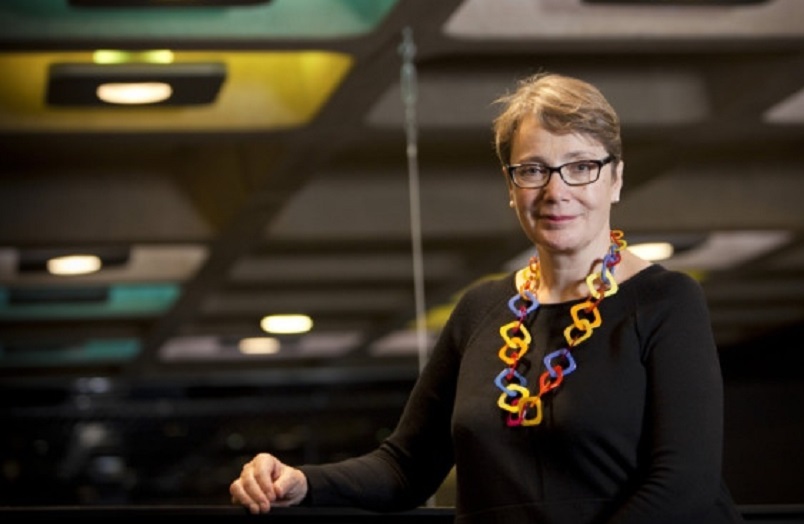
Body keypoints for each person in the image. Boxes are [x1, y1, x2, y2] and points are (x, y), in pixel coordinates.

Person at [229, 72, 745, 523]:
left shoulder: (666, 301)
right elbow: (406, 467)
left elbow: (684, 486)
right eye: (533, 169)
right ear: (511, 184)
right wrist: (302, 481)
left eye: (581, 166)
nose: (556, 190)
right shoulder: (479, 310)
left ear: (615, 179)